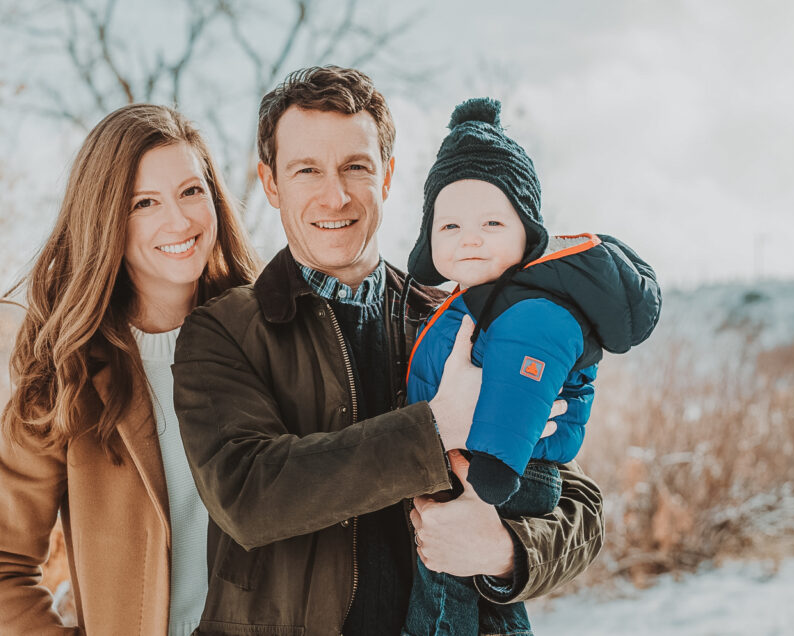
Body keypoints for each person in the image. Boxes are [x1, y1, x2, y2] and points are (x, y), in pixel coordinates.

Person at [173, 66, 605, 636]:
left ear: (389, 175)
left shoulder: (465, 320)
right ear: (271, 183)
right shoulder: (224, 330)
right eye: (307, 170)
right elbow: (249, 494)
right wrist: (434, 428)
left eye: (356, 166)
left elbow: (579, 507)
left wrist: (505, 551)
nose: (336, 194)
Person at [0, 103, 259, 636]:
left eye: (192, 191)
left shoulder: (269, 337)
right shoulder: (67, 375)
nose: (180, 220)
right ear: (107, 220)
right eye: (145, 202)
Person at [401, 97, 661, 635]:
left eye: (492, 221)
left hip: (501, 468)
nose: (469, 237)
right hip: (487, 464)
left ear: (528, 234)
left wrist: (494, 481)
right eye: (449, 226)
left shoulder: (528, 311)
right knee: (468, 592)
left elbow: (523, 383)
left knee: (447, 582)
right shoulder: (476, 300)